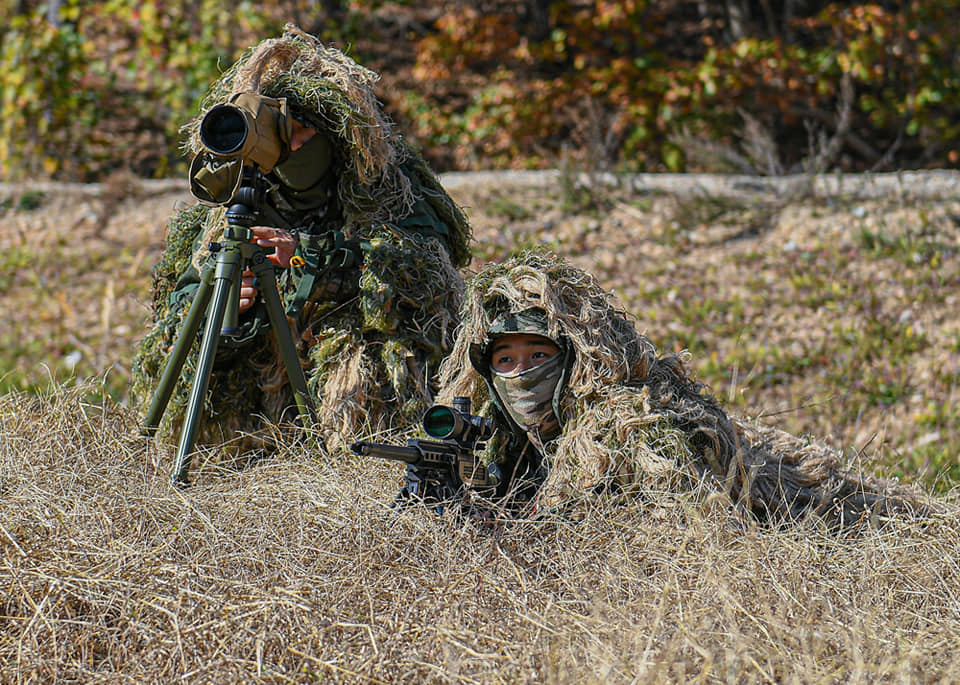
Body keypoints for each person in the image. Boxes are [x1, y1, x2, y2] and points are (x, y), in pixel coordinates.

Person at [395, 249, 936, 528]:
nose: (520, 373)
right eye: (505, 361)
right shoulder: (507, 440)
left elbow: (672, 535)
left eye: (539, 356)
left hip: (814, 509)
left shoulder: (632, 426)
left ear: (576, 359)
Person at [131, 25, 471, 454]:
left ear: (336, 140)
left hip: (343, 368)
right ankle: (216, 464)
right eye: (280, 136)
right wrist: (224, 304)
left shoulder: (384, 185)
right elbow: (180, 304)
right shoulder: (240, 198)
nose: (290, 149)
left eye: (300, 134)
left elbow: (422, 274)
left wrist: (310, 258)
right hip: (266, 368)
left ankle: (352, 465)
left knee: (366, 358)